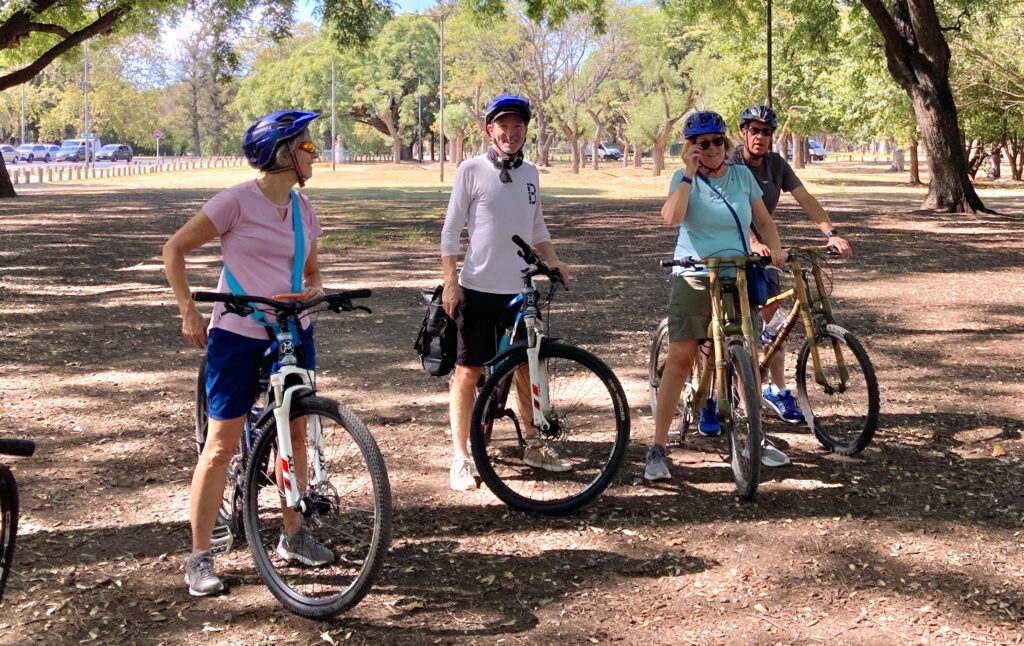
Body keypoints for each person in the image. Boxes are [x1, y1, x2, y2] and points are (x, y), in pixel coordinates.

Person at [162, 110, 333, 596]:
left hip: (292, 332)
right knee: (220, 444)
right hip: (237, 333)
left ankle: (293, 535)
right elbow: (173, 250)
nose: (313, 152)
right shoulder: (235, 201)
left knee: (295, 432)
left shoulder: (303, 209)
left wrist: (310, 292)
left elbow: (313, 271)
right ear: (282, 154)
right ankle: (199, 556)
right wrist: (189, 312)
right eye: (305, 146)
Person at [439, 94, 571, 491]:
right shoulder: (471, 169)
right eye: (503, 126)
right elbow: (450, 230)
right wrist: (450, 280)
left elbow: (537, 230)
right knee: (468, 371)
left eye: (518, 127)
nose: (511, 133)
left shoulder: (530, 172)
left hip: (521, 289)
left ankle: (531, 441)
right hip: (478, 287)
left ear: (526, 131)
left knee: (529, 365)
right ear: (489, 130)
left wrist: (555, 261)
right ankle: (461, 457)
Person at [647, 110, 787, 482]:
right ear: (691, 148)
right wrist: (690, 176)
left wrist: (775, 253)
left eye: (715, 142)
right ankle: (657, 447)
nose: (709, 149)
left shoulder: (742, 176)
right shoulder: (683, 178)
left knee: (745, 354)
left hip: (737, 273)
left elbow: (765, 222)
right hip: (695, 274)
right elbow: (671, 218)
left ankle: (756, 435)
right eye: (700, 143)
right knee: (681, 357)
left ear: (726, 144)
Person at [729, 105, 852, 443]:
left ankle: (776, 389)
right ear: (743, 132)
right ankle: (710, 392)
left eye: (766, 132)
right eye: (754, 130)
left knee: (776, 323)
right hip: (731, 248)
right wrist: (752, 241)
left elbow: (806, 199)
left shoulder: (776, 165)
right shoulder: (731, 164)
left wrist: (831, 233)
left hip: (767, 252)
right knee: (730, 327)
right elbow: (734, 210)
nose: (760, 137)